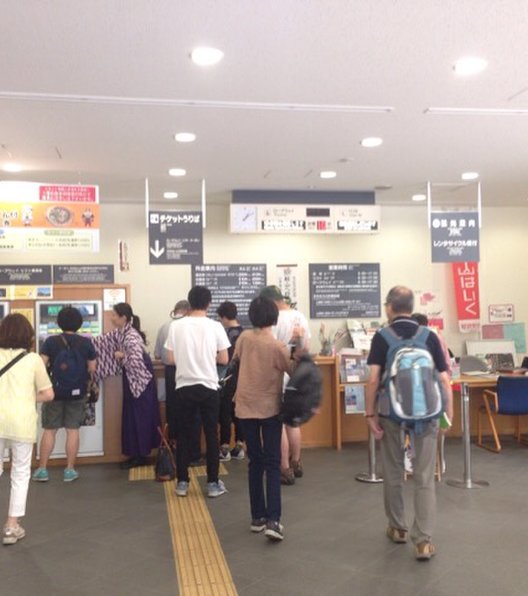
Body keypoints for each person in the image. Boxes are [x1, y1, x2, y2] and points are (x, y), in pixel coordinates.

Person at [365, 286, 454, 561]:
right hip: (427, 414)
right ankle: (424, 541)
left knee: (393, 471)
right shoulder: (429, 336)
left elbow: (373, 380)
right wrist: (446, 415)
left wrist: (370, 415)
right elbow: (444, 380)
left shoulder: (382, 337)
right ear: (411, 306)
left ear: (389, 307)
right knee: (425, 476)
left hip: (392, 413)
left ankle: (398, 528)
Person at [234, 296, 301, 541]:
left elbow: (236, 360)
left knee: (255, 461)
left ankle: (257, 517)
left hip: (245, 407)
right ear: (273, 318)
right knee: (273, 463)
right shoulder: (276, 346)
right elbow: (294, 369)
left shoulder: (243, 338)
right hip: (269, 408)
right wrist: (297, 341)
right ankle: (274, 520)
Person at [165, 285, 231, 498]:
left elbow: (170, 359)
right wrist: (206, 358)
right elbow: (224, 359)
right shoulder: (215, 327)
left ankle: (182, 483)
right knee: (211, 435)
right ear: (209, 303)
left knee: (184, 435)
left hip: (184, 387)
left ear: (189, 303)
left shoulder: (176, 326)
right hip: (209, 387)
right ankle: (212, 483)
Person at [0, 314, 54, 545]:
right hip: (22, 421)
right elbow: (48, 394)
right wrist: (26, 397)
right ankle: (12, 526)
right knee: (20, 473)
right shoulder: (33, 360)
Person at [32, 306, 97, 483]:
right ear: (79, 323)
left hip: (54, 392)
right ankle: (69, 469)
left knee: (50, 430)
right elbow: (92, 368)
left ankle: (43, 469)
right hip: (78, 393)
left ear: (59, 323)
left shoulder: (50, 341)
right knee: (72, 430)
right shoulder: (86, 342)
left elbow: (41, 365)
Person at [93, 303, 160, 469]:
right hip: (132, 379)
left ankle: (141, 454)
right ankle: (135, 453)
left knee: (140, 417)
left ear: (123, 318)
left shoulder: (131, 336)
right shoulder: (121, 333)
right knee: (132, 416)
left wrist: (121, 356)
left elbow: (136, 360)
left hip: (140, 381)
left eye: (115, 315)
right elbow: (101, 342)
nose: (112, 318)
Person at [259, 285, 311, 485]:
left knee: (278, 423)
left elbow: (270, 349)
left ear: (271, 303)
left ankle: (284, 467)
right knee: (293, 421)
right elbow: (305, 348)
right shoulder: (300, 317)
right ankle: (296, 462)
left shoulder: (274, 320)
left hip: (279, 375)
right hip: (297, 374)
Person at [216, 301, 244, 461]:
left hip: (226, 377)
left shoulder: (225, 334)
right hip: (242, 378)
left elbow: (222, 359)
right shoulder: (245, 334)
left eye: (220, 318)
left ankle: (224, 447)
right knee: (239, 412)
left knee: (224, 412)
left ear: (225, 317)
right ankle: (239, 446)